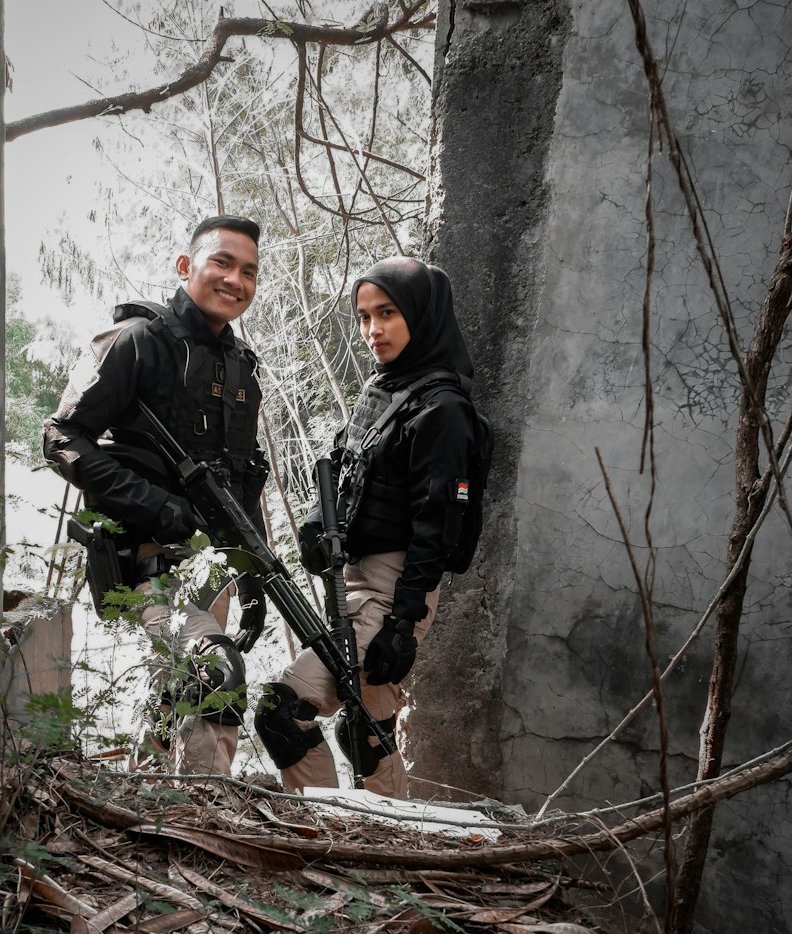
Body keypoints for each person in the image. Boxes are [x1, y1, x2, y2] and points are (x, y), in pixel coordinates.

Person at [254, 255, 490, 799]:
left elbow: (438, 526)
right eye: (363, 317)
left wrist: (404, 625)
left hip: (394, 589)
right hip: (352, 580)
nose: (372, 330)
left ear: (421, 315)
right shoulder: (385, 390)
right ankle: (393, 838)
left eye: (387, 313)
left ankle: (325, 828)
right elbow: (342, 467)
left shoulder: (443, 409)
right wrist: (317, 522)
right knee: (366, 729)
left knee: (283, 710)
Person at [42, 215, 269, 776]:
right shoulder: (137, 341)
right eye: (222, 262)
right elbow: (60, 437)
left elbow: (242, 479)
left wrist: (255, 574)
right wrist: (154, 506)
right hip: (145, 555)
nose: (235, 280)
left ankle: (150, 801)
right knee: (215, 672)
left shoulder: (242, 369)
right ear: (186, 266)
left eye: (249, 272)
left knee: (174, 691)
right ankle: (207, 819)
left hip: (215, 566)